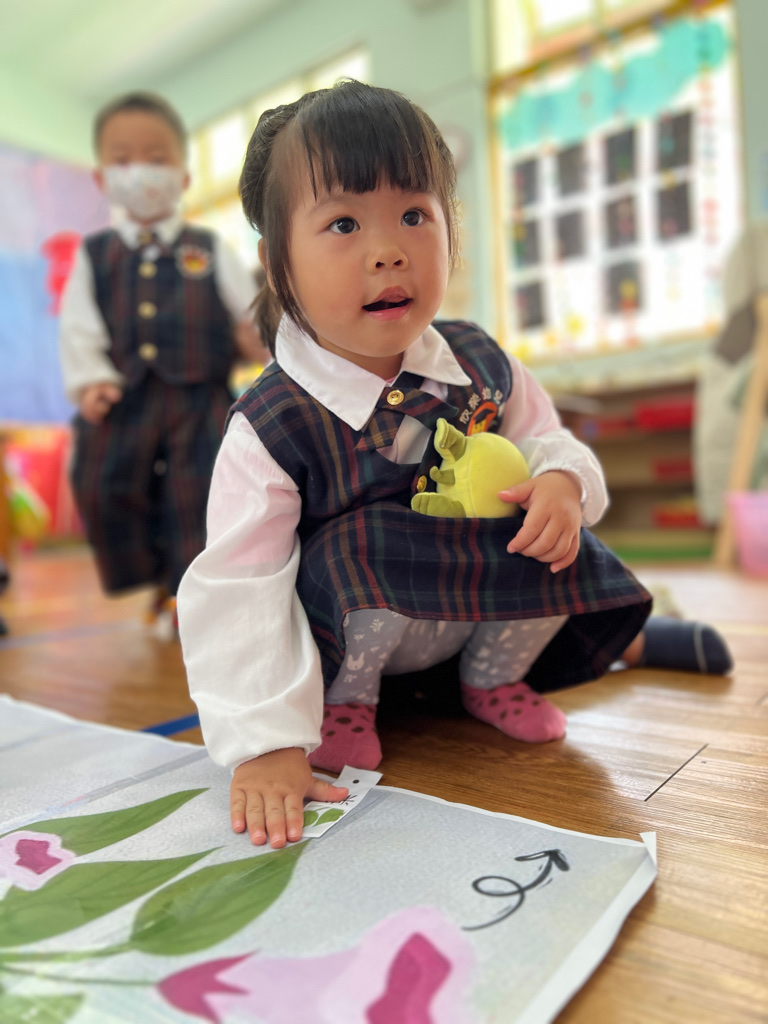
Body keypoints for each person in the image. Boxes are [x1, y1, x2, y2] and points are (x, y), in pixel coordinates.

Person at [178, 81, 732, 850]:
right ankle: (350, 704)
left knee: (559, 536)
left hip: (467, 618)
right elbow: (238, 588)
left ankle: (493, 679)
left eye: (414, 215)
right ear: (279, 267)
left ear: (451, 231)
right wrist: (265, 742)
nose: (388, 250)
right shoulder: (270, 423)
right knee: (362, 541)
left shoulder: (480, 361)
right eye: (343, 223)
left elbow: (550, 440)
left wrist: (561, 482)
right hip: (349, 645)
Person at [59, 91, 269, 626]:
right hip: (123, 394)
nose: (141, 172)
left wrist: (255, 338)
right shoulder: (95, 255)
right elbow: (78, 325)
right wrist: (90, 380)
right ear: (102, 178)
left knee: (198, 492)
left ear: (183, 176)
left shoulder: (208, 247)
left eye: (156, 158)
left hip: (200, 397)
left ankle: (189, 590)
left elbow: (246, 309)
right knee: (101, 482)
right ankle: (153, 573)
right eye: (123, 160)